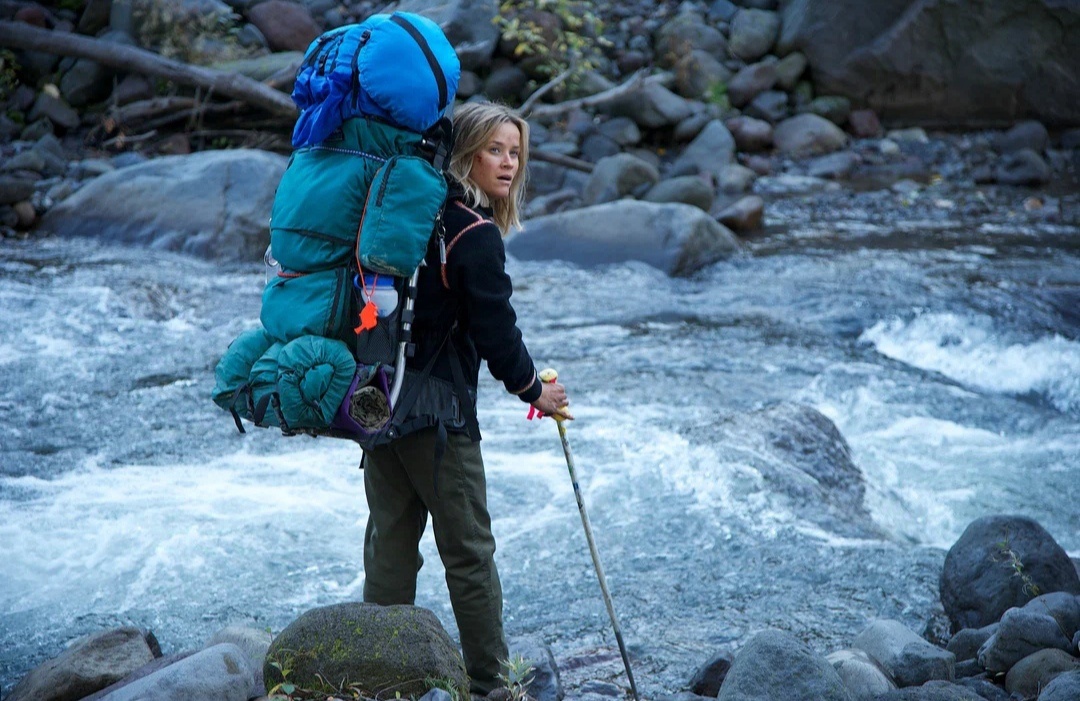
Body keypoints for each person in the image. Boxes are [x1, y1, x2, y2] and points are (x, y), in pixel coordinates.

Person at [361, 101, 571, 697]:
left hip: (376, 400)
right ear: (465, 156)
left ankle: (379, 680)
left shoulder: (410, 218)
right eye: (494, 151)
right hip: (439, 418)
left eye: (515, 153)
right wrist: (537, 391)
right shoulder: (474, 235)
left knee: (390, 543)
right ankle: (490, 684)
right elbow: (497, 334)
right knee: (470, 554)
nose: (508, 164)